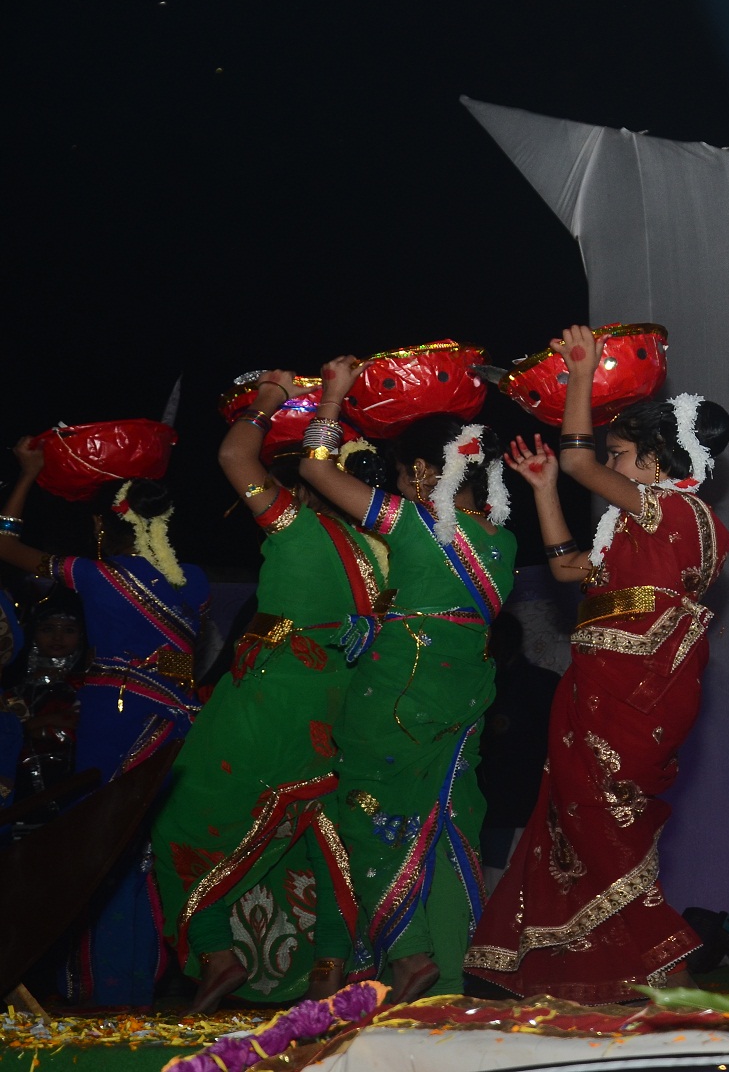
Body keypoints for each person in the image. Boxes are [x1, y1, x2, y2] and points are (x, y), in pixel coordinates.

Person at [467, 323, 729, 1002]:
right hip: (598, 683)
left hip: (637, 690)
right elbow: (566, 568)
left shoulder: (674, 511)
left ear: (656, 461)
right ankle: (620, 969)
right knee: (575, 819)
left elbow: (582, 463)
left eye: (620, 454)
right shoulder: (637, 528)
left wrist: (581, 376)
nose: (609, 465)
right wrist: (543, 488)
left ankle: (666, 957)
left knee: (601, 815)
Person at [151, 372, 393, 1011]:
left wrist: (267, 402)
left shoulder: (295, 527)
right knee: (324, 837)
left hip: (270, 703)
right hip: (345, 713)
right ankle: (329, 969)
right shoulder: (390, 551)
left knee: (181, 823)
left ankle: (217, 952)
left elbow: (234, 455)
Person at [301, 362, 518, 1002]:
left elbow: (315, 470)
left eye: (402, 474)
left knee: (364, 806)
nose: (399, 485)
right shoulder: (503, 541)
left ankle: (407, 952)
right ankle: (448, 981)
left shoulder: (414, 523)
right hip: (466, 694)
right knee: (446, 825)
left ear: (423, 472)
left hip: (402, 685)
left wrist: (334, 398)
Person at [0, 442, 209, 1006]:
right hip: (175, 722)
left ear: (102, 525)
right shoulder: (194, 580)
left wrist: (29, 472)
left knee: (101, 844)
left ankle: (103, 986)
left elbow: (3, 544)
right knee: (152, 849)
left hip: (112, 717)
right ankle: (145, 979)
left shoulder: (94, 576)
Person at [472, 613, 558, 892]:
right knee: (492, 886)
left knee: (508, 887)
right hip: (488, 810)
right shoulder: (479, 685)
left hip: (519, 809)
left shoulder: (539, 684)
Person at [4, 588, 87, 836]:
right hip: (19, 797)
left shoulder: (87, 689)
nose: (57, 637)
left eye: (69, 630)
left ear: (82, 635)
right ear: (33, 633)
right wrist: (45, 722)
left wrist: (35, 726)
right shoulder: (14, 692)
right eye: (48, 628)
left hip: (71, 795)